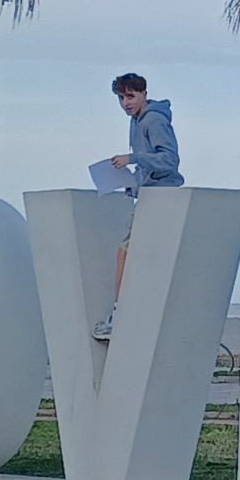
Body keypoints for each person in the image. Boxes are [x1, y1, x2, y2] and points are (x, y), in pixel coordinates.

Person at [94, 73, 183, 341]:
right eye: (121, 98)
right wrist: (134, 183)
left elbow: (169, 159)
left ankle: (119, 312)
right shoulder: (137, 121)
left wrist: (131, 158)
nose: (125, 103)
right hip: (149, 192)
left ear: (143, 94)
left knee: (125, 250)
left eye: (130, 96)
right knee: (136, 251)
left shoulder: (153, 119)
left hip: (161, 194)